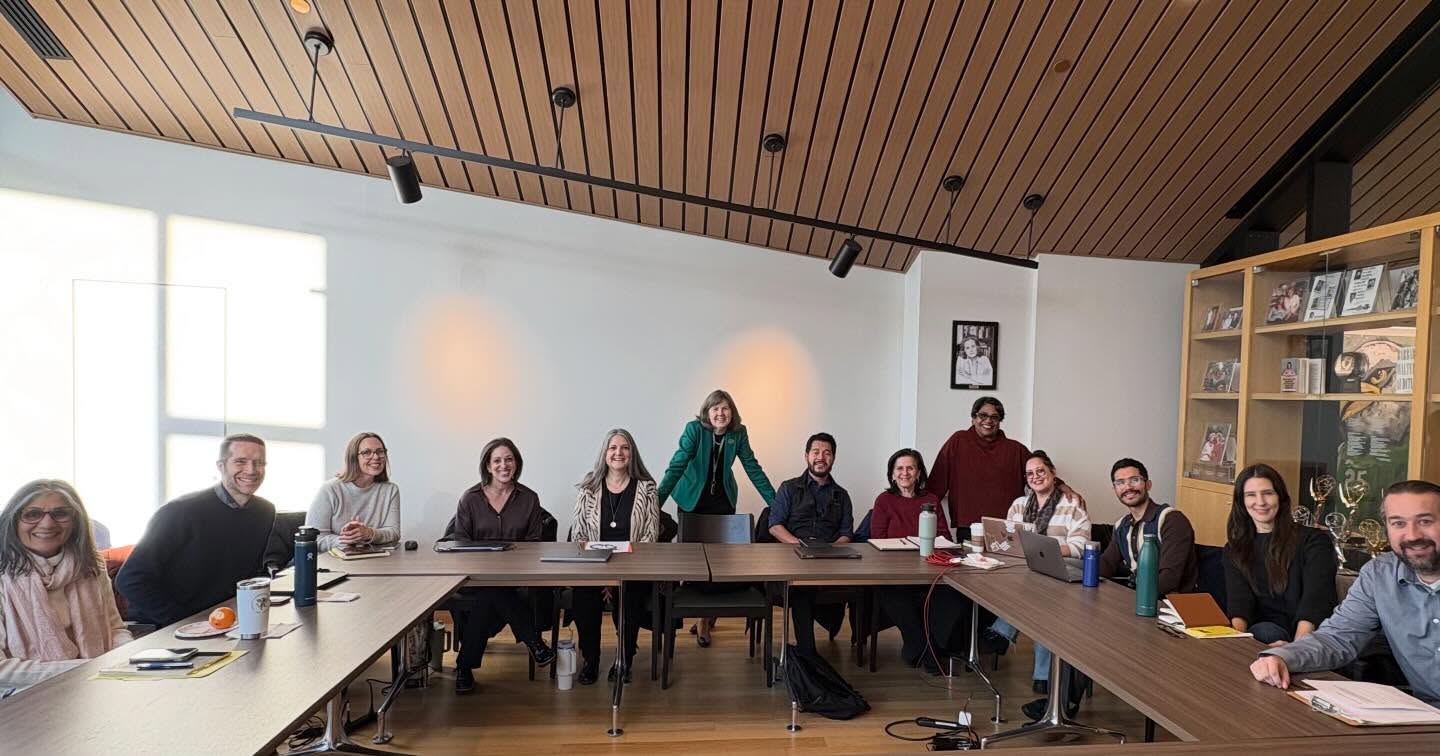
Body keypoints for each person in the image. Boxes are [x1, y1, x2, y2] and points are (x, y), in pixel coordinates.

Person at [1251, 480, 1440, 705]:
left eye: (1425, 521)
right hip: (1423, 717)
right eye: (1398, 523)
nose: (1412, 535)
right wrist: (1282, 658)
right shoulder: (1379, 575)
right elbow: (1338, 638)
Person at [116, 434, 277, 627]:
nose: (251, 470)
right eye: (240, 462)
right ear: (221, 466)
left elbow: (247, 574)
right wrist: (185, 621)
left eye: (259, 463)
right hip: (165, 625)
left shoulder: (265, 511)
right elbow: (129, 579)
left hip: (222, 620)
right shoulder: (181, 511)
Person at [658, 389, 775, 646]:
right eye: (715, 409)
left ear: (731, 412)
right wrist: (655, 503)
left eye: (725, 408)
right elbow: (677, 464)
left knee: (721, 563)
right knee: (692, 560)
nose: (720, 413)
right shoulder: (694, 430)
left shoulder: (738, 433)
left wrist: (777, 505)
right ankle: (696, 610)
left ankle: (704, 620)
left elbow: (753, 468)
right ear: (707, 412)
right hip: (691, 499)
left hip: (722, 500)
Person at [1, 480, 132, 693]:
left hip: (97, 686)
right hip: (20, 700)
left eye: (60, 513)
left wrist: (129, 657)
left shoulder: (90, 566)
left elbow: (115, 629)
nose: (47, 524)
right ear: (13, 521)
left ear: (75, 522)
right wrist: (85, 669)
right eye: (32, 514)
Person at [450, 437, 555, 694]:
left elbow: (534, 544)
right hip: (476, 577)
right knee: (491, 591)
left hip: (514, 576)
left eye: (509, 459)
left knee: (494, 592)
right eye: (497, 460)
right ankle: (534, 642)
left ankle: (465, 665)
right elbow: (460, 542)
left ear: (517, 464)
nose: (503, 465)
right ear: (487, 465)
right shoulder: (470, 498)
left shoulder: (529, 498)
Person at [986, 451, 1091, 694]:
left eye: (1041, 471)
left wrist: (1046, 551)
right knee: (1030, 590)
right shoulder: (1019, 505)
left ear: (1053, 473)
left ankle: (1002, 631)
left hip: (1061, 573)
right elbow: (1007, 541)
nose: (1035, 477)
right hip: (1023, 572)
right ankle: (1042, 674)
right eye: (1030, 474)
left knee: (1043, 599)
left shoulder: (1073, 506)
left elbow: (1081, 548)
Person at [569, 429, 659, 685]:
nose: (618, 453)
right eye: (613, 448)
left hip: (634, 566)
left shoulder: (647, 488)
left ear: (632, 454)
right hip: (593, 566)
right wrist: (603, 575)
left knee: (629, 593)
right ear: (605, 454)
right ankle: (591, 659)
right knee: (584, 594)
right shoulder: (588, 487)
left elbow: (649, 537)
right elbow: (579, 534)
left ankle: (624, 659)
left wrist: (617, 576)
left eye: (624, 448)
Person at [870, 449, 970, 672]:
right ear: (892, 474)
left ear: (918, 473)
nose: (905, 473)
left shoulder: (931, 500)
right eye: (899, 468)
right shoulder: (884, 500)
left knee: (954, 598)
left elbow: (944, 535)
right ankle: (928, 652)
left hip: (929, 570)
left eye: (910, 468)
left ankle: (918, 649)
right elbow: (876, 538)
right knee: (896, 600)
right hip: (894, 572)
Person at [1223, 464, 1337, 644]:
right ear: (1241, 502)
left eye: (1268, 493)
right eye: (1251, 495)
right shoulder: (1234, 549)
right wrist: (1236, 644)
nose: (1260, 502)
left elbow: (1315, 602)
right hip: (1256, 638)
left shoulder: (1314, 541)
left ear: (1281, 497)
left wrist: (1296, 649)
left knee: (1266, 632)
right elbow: (1239, 605)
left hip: (1303, 639)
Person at [930, 396, 1082, 529]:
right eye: (983, 415)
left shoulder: (1015, 449)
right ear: (973, 418)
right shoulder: (958, 441)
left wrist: (1063, 486)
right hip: (969, 525)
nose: (988, 420)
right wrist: (919, 508)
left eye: (994, 417)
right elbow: (938, 479)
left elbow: (1040, 471)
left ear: (1000, 421)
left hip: (1007, 525)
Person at [769, 433, 853, 655]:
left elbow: (846, 534)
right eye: (816, 452)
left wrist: (829, 551)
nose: (820, 457)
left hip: (829, 559)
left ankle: (811, 651)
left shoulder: (842, 495)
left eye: (827, 453)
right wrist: (799, 546)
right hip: (792, 557)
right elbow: (775, 525)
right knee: (802, 588)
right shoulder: (788, 488)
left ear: (833, 458)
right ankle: (808, 653)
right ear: (807, 456)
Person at [1098, 457, 1198, 596]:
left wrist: (1132, 600)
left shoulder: (1171, 520)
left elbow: (1169, 579)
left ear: (1148, 484)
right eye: (1120, 483)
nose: (1128, 487)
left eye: (1135, 480)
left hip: (1169, 605)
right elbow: (1107, 564)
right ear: (1115, 490)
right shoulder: (1122, 525)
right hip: (1138, 597)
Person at [305, 432, 401, 552]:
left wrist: (369, 533)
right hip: (331, 564)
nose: (376, 457)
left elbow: (394, 532)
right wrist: (346, 539)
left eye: (380, 451)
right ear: (353, 458)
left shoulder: (391, 490)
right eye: (367, 452)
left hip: (371, 562)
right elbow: (313, 539)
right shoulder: (330, 489)